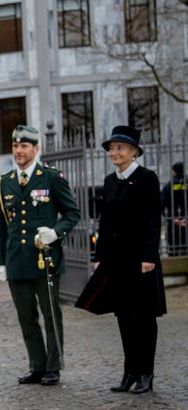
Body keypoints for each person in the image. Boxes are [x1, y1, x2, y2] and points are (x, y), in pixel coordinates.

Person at [77, 125, 166, 394]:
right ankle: (129, 372)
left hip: (141, 260)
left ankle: (146, 373)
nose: (114, 152)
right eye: (112, 148)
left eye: (120, 148)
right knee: (124, 316)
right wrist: (99, 255)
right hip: (116, 261)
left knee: (144, 317)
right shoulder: (110, 181)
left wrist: (149, 255)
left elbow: (153, 219)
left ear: (134, 151)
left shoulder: (147, 178)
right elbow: (105, 222)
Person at [0, 125, 80, 386]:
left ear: (36, 149)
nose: (19, 151)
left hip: (45, 259)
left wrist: (55, 232)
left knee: (51, 315)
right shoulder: (4, 182)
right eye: (15, 146)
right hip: (16, 260)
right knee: (25, 316)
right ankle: (37, 365)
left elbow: (72, 214)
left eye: (24, 146)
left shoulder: (50, 177)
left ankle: (53, 366)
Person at [161, 161, 186, 257]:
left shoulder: (168, 186)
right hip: (185, 220)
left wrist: (171, 218)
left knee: (173, 249)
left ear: (174, 171)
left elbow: (162, 203)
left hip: (173, 220)